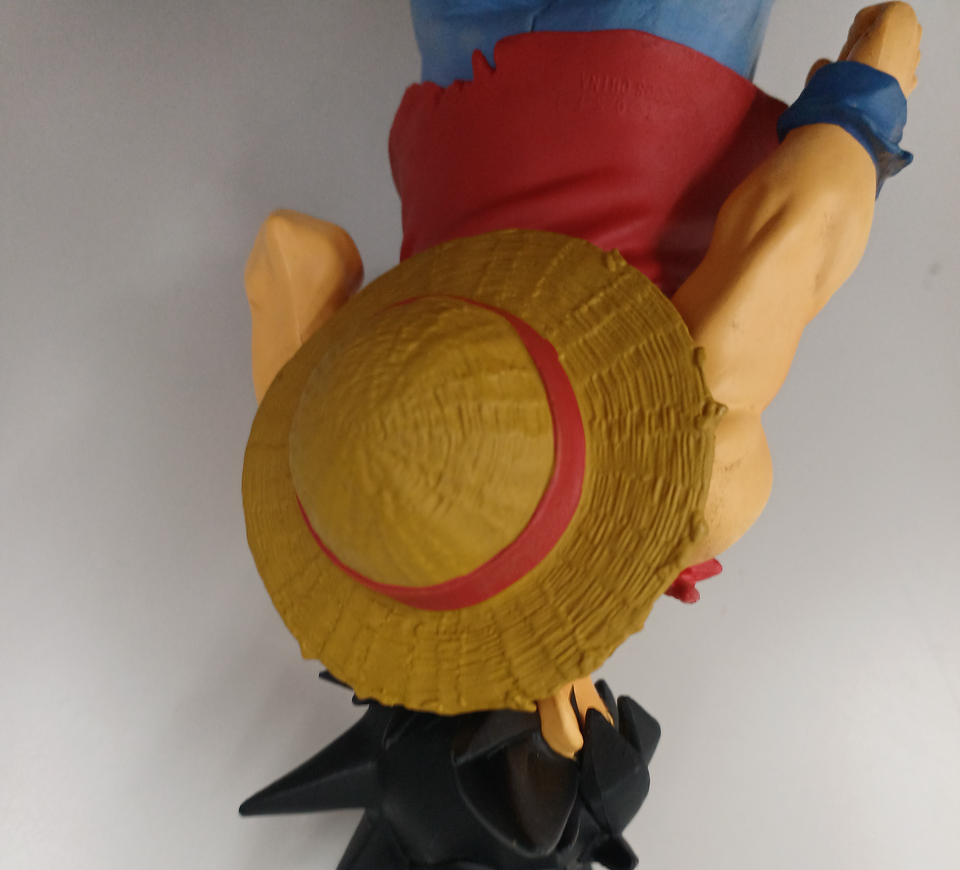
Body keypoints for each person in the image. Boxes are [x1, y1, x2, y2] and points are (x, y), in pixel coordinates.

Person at [242, 2, 921, 756]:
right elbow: (294, 251)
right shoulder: (342, 468)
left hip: (653, 58)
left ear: (569, 724)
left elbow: (795, 229)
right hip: (465, 62)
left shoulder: (687, 490)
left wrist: (865, 101)